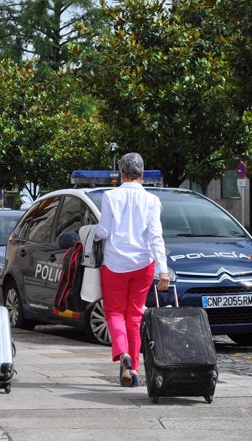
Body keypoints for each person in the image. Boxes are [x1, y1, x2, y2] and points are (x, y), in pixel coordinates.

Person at [94, 152, 170, 387]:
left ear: (121, 173)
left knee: (114, 312)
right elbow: (156, 237)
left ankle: (123, 354)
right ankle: (135, 370)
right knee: (135, 316)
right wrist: (163, 270)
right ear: (142, 174)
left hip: (115, 264)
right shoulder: (152, 200)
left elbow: (104, 230)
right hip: (143, 265)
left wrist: (91, 234)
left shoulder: (110, 196)